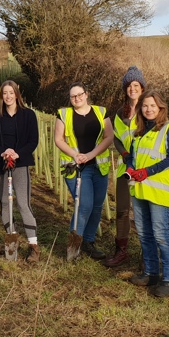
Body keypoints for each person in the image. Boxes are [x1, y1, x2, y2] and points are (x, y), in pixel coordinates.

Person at [124, 91, 169, 298]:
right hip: (138, 189)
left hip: (158, 191)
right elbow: (131, 156)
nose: (148, 109)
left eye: (152, 106)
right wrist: (129, 168)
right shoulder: (138, 132)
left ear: (161, 108)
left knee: (161, 234)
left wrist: (147, 172)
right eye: (145, 106)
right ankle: (150, 272)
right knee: (144, 233)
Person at [54, 82, 114, 260]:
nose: (77, 98)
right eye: (73, 96)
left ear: (86, 94)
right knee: (83, 206)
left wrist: (91, 154)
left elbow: (109, 136)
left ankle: (89, 241)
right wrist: (75, 155)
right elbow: (59, 139)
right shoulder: (64, 114)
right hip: (77, 168)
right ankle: (73, 248)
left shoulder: (101, 112)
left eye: (80, 94)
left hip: (98, 166)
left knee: (96, 207)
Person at [0, 80, 41, 263]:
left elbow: (33, 140)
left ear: (17, 94)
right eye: (4, 93)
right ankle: (12, 238)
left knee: (23, 204)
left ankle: (33, 245)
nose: (8, 96)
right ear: (1, 96)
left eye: (11, 93)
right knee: (4, 202)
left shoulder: (28, 115)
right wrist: (2, 152)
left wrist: (17, 154)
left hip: (20, 163)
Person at [104, 66, 146, 268]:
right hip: (125, 169)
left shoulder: (149, 109)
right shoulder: (120, 113)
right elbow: (117, 139)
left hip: (145, 170)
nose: (132, 88)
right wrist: (125, 155)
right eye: (129, 86)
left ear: (142, 87)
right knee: (121, 210)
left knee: (144, 212)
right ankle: (121, 251)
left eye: (136, 85)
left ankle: (148, 255)